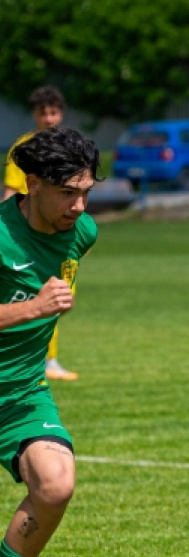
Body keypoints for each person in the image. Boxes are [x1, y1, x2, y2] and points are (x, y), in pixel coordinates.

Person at [0, 126, 99, 557]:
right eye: (68, 192)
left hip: (19, 392)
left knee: (56, 483)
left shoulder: (81, 234)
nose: (79, 207)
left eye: (86, 192)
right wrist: (30, 310)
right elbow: (35, 304)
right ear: (32, 184)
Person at [3, 86, 79, 382]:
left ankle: (48, 360)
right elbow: (11, 190)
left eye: (54, 112)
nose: (49, 118)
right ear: (34, 114)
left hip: (57, 235)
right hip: (26, 234)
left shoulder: (71, 147)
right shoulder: (23, 149)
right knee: (28, 296)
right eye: (43, 112)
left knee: (57, 295)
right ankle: (29, 360)